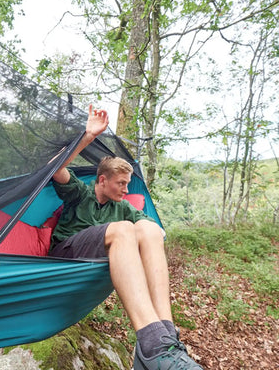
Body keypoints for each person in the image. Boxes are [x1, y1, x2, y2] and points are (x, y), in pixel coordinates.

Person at [48, 105, 204, 370]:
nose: (126, 188)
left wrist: (150, 232)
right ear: (102, 180)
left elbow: (151, 227)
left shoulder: (121, 207)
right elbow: (54, 167)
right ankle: (152, 344)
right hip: (66, 255)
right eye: (121, 183)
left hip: (97, 255)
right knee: (122, 229)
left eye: (128, 183)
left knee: (148, 228)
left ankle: (164, 338)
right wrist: (87, 136)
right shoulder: (79, 193)